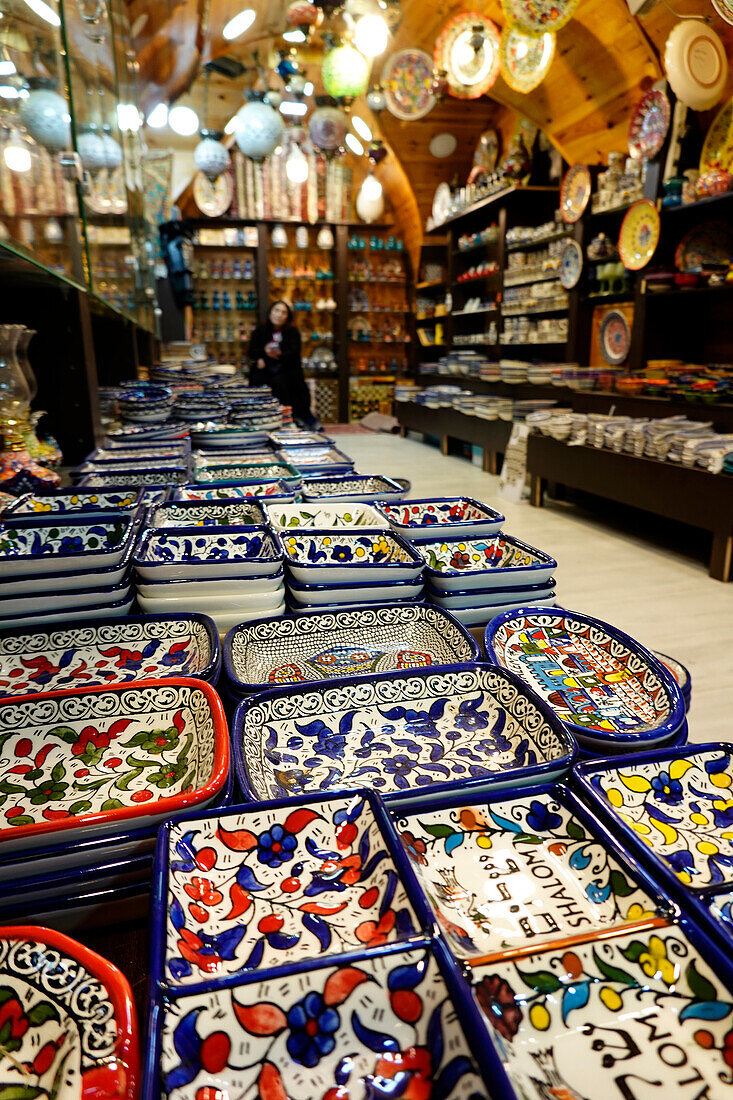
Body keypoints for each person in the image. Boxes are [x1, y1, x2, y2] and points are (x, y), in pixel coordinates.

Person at [248, 300, 320, 429]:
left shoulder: (292, 331)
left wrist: (279, 355)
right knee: (260, 377)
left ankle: (295, 417)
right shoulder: (260, 330)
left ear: (287, 316)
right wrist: (262, 355)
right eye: (276, 310)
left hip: (286, 367)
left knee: (287, 381)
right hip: (266, 369)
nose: (279, 315)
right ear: (270, 313)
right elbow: (252, 350)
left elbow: (294, 353)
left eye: (283, 312)